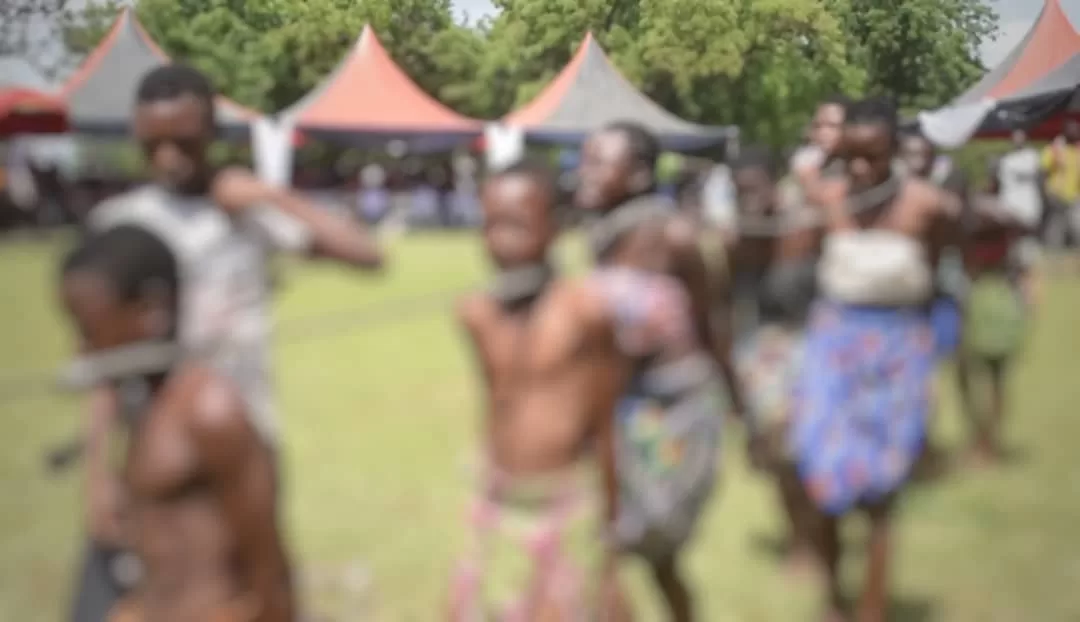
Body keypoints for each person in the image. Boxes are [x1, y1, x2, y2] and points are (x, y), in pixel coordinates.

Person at [70, 63, 383, 622]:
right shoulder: (121, 224)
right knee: (163, 588)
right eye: (153, 144)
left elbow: (367, 256)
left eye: (184, 142)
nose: (169, 158)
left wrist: (268, 193)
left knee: (253, 581)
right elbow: (105, 365)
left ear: (212, 131)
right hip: (154, 445)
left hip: (238, 433)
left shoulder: (245, 212)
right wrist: (99, 474)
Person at [59, 225, 295, 622]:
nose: (81, 348)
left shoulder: (209, 411)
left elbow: (269, 571)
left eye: (89, 329)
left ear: (152, 310)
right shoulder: (140, 404)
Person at [792, 97, 962, 622]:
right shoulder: (829, 198)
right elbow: (799, 260)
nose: (863, 168)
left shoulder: (929, 206)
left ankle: (871, 607)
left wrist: (932, 345)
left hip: (897, 348)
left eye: (875, 156)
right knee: (819, 473)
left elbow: (937, 275)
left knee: (881, 491)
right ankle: (833, 596)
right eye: (853, 157)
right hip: (834, 345)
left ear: (897, 151)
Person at [450, 161, 632, 620]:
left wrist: (610, 549)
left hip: (566, 503)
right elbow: (497, 403)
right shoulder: (476, 314)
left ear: (555, 228)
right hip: (500, 498)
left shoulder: (585, 313)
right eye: (489, 225)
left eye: (517, 225)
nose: (500, 241)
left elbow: (607, 427)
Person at [576, 122, 736, 621]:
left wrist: (742, 408)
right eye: (587, 160)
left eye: (601, 162)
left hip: (679, 412)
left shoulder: (677, 238)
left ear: (641, 173)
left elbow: (714, 328)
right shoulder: (601, 237)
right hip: (618, 413)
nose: (586, 173)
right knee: (604, 547)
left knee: (653, 550)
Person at [724, 146, 821, 578]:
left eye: (755, 190)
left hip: (811, 348)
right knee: (778, 459)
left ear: (776, 184)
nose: (748, 201)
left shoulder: (807, 227)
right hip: (760, 352)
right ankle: (800, 540)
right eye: (738, 193)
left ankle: (817, 540)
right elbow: (726, 308)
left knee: (807, 457)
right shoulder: (736, 240)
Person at [955, 191, 1031, 465]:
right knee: (973, 376)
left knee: (993, 378)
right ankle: (982, 437)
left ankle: (988, 441)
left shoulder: (1005, 237)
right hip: (979, 301)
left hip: (993, 302)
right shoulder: (970, 232)